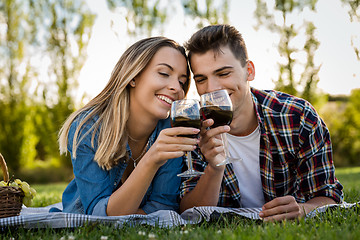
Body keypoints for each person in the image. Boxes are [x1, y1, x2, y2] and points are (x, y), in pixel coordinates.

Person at [179, 24, 343, 222]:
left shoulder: (298, 117)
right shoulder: (194, 129)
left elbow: (329, 196)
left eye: (223, 74)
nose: (212, 88)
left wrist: (303, 209)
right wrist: (214, 167)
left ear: (249, 71)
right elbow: (189, 212)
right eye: (201, 79)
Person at [56, 37, 199, 216]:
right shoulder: (88, 128)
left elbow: (163, 206)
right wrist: (151, 159)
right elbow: (100, 215)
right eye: (163, 73)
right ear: (133, 77)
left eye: (182, 81)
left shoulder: (170, 130)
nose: (176, 88)